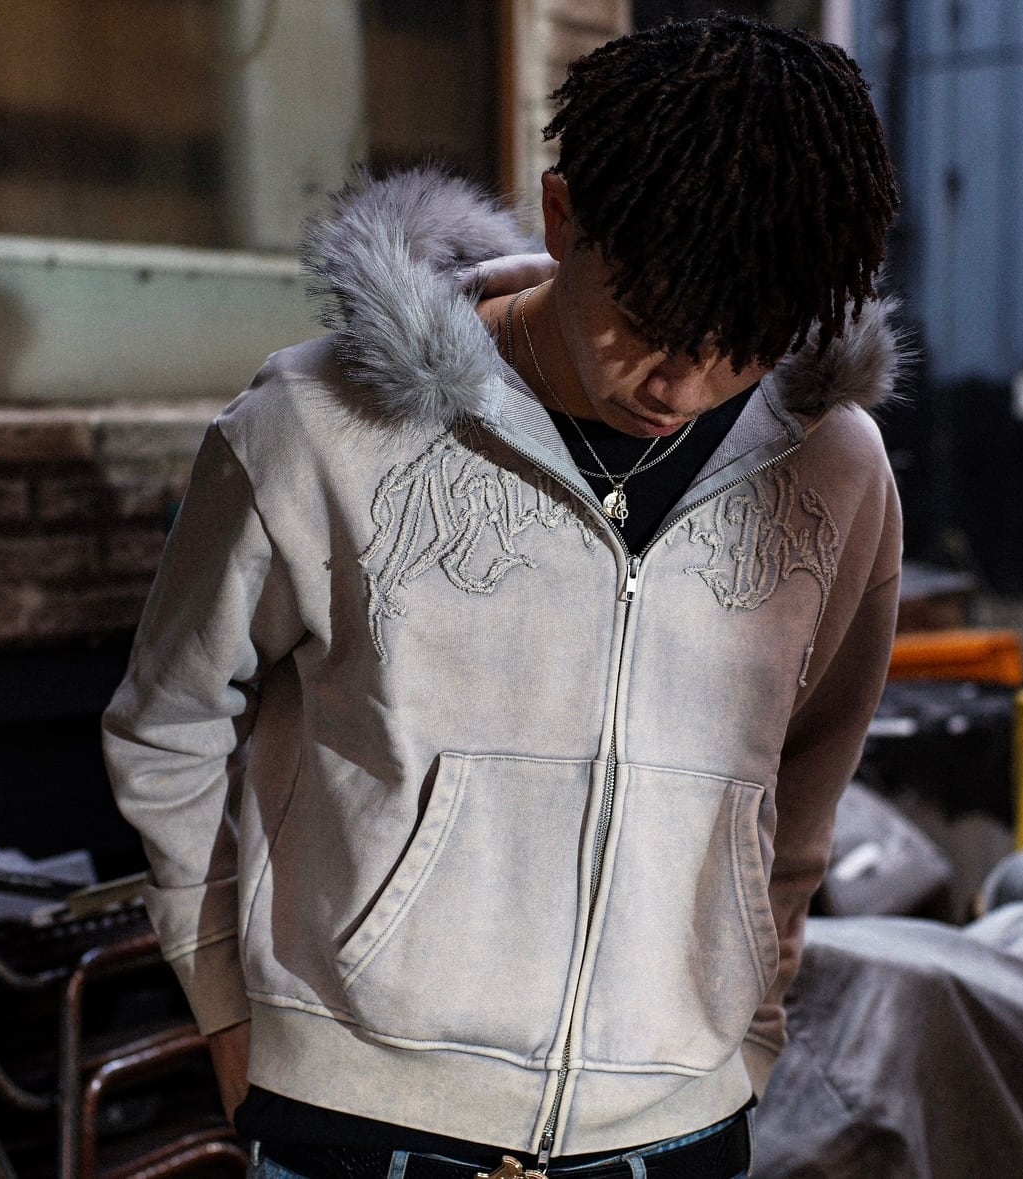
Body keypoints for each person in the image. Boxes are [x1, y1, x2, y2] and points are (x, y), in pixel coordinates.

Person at [103, 14, 904, 1179]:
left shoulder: (835, 471)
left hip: (679, 1132)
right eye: (647, 323)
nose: (681, 384)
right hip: (363, 1127)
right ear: (564, 216)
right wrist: (227, 1006)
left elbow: (808, 774)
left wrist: (750, 1032)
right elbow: (167, 723)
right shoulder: (318, 429)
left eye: (744, 343)